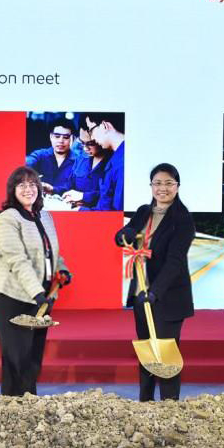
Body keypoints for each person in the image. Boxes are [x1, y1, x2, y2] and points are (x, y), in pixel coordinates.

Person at [114, 163, 194, 401]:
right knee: (147, 352)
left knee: (166, 355)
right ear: (151, 186)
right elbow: (122, 235)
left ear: (177, 186)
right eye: (157, 183)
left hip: (168, 297)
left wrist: (155, 292)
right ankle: (145, 403)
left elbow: (175, 262)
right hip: (141, 294)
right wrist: (124, 235)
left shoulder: (183, 219)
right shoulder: (143, 212)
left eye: (169, 183)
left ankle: (169, 406)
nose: (163, 188)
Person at [0, 167, 71, 395]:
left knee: (33, 355)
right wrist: (37, 293)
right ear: (12, 190)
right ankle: (14, 403)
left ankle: (28, 402)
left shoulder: (45, 216)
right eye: (22, 185)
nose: (28, 189)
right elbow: (16, 259)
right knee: (17, 356)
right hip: (12, 295)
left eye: (32, 184)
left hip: (41, 296)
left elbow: (50, 251)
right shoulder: (7, 218)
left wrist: (62, 270)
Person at [62, 127, 113, 210]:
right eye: (82, 143)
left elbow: (111, 197)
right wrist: (53, 189)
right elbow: (69, 185)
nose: (85, 148)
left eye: (90, 143)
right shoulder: (80, 159)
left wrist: (84, 197)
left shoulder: (113, 164)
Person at [25, 119, 80, 195]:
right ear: (51, 137)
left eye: (66, 137)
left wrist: (53, 189)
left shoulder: (79, 161)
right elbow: (28, 161)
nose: (61, 141)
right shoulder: (40, 155)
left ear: (73, 139)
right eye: (57, 136)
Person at [86, 112, 125, 211]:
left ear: (104, 126)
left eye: (91, 130)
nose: (92, 138)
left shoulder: (122, 163)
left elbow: (116, 212)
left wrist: (77, 211)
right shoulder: (116, 158)